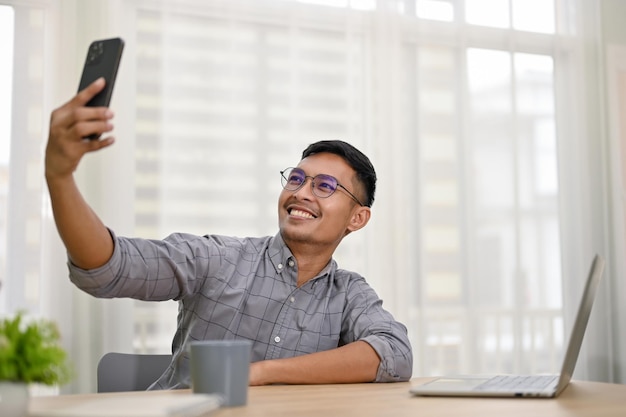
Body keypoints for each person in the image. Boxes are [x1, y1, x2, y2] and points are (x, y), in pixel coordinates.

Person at [45, 78, 413, 388]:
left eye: (325, 186)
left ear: (358, 218)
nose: (300, 192)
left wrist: (262, 374)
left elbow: (394, 354)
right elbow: (108, 267)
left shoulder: (349, 293)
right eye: (297, 179)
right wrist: (59, 178)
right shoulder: (218, 259)